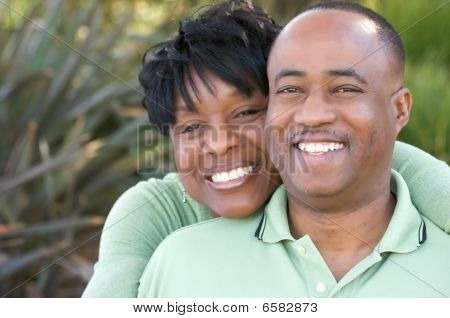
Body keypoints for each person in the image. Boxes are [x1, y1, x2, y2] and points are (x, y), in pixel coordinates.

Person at [83, 0, 450, 297]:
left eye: (245, 113)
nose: (220, 142)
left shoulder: (376, 173)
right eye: (192, 127)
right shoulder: (157, 218)